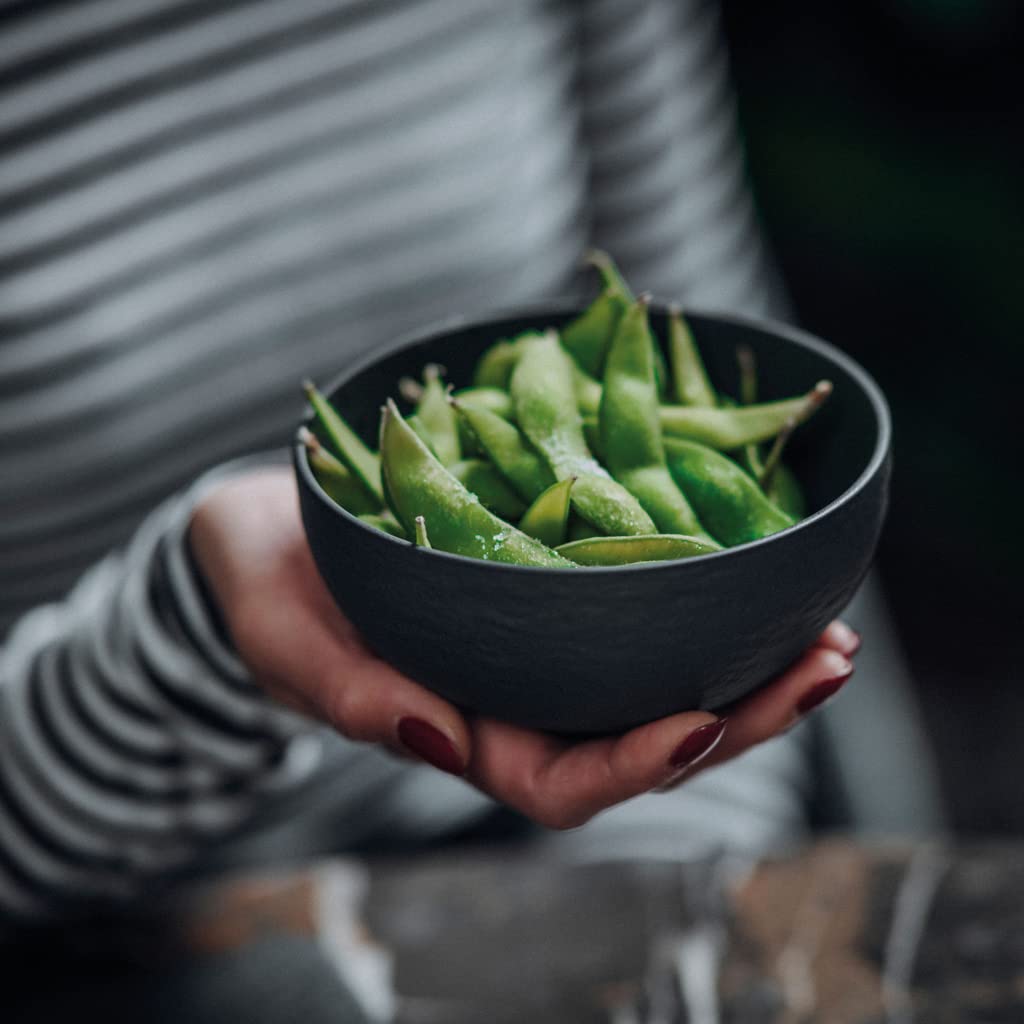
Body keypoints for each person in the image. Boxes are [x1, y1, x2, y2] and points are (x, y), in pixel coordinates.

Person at [0, 0, 930, 921]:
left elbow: (695, 339)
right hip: (132, 936)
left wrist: (643, 906)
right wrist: (190, 632)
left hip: (597, 872)